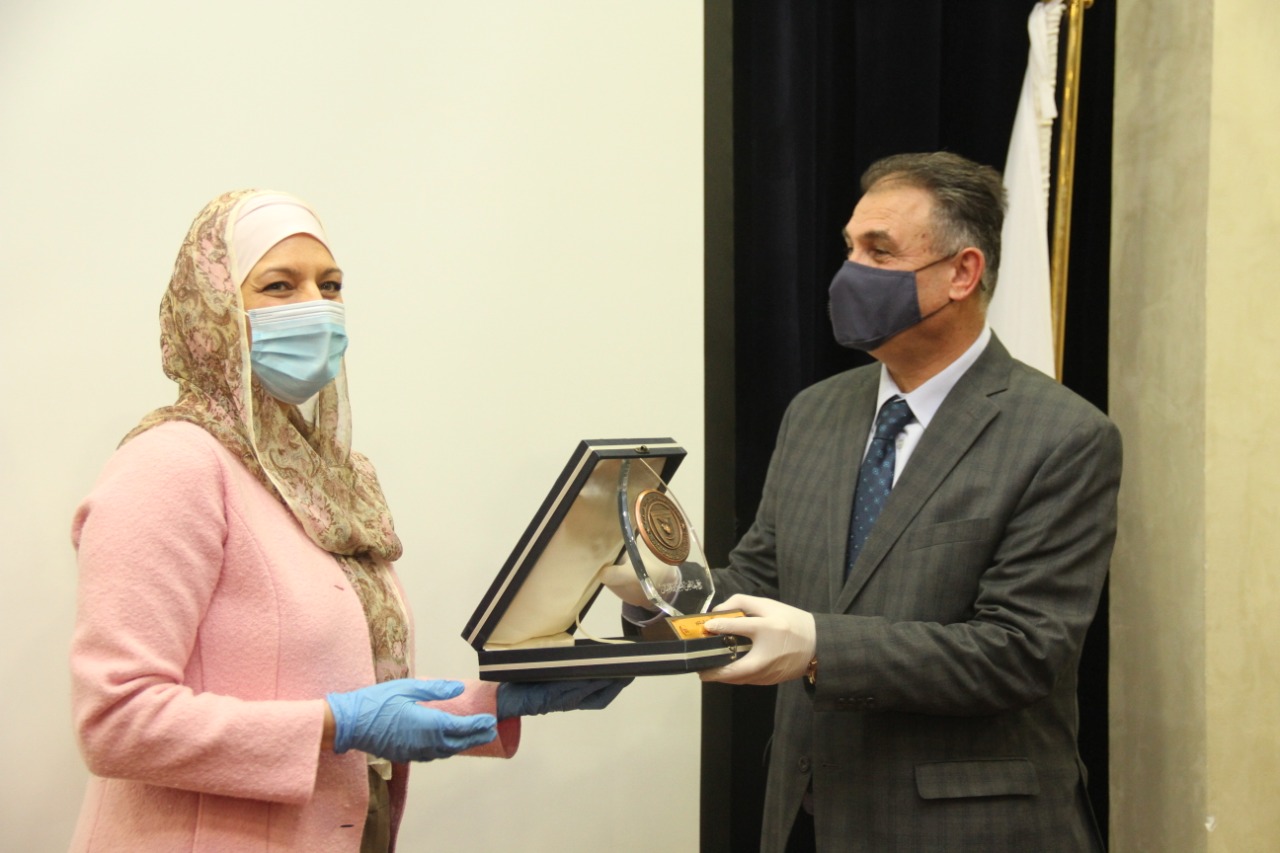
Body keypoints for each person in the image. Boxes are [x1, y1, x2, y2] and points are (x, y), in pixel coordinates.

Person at [69, 189, 628, 853]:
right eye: (280, 286)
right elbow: (116, 720)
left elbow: (361, 703)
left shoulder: (330, 477)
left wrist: (498, 699)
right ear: (212, 309)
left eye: (330, 285)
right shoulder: (171, 464)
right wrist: (337, 724)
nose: (316, 305)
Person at [609, 152, 1120, 852]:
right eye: (849, 248)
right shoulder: (816, 412)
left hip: (967, 831)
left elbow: (1020, 651)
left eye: (879, 252)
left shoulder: (1064, 436)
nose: (849, 272)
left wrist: (820, 647)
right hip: (808, 817)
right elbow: (760, 580)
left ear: (962, 273)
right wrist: (657, 586)